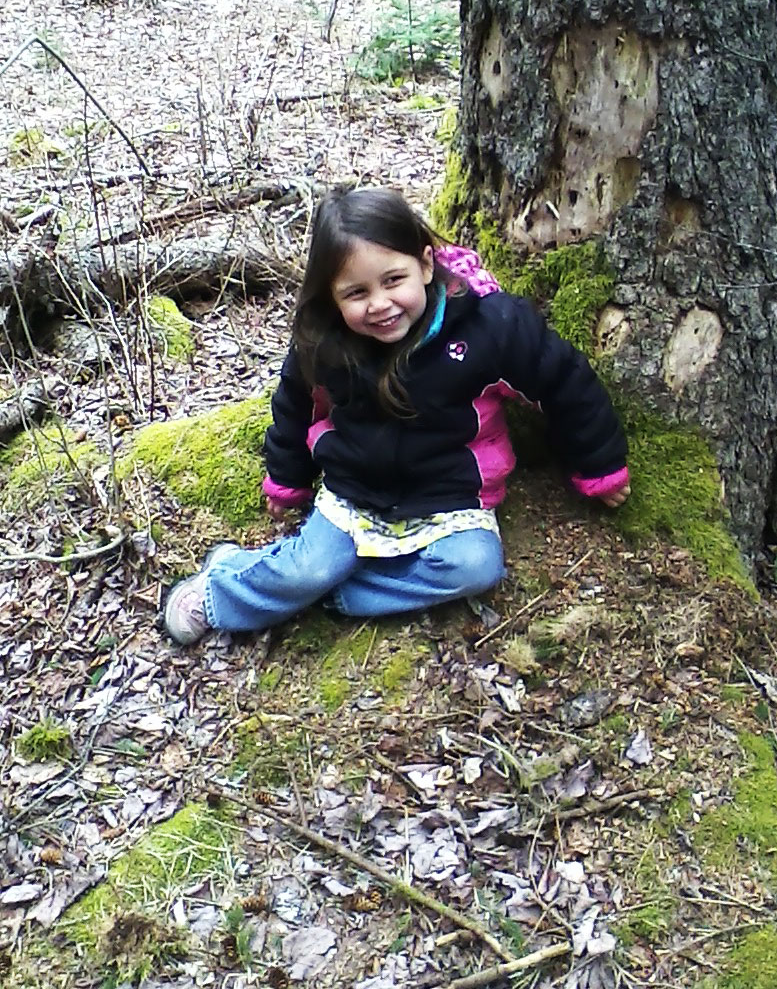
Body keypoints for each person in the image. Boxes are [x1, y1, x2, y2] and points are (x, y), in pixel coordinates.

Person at [164, 185, 631, 645]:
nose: (380, 304)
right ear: (332, 297)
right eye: (356, 293)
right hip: (355, 494)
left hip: (453, 496)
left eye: (393, 281)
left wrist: (600, 466)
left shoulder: (490, 328)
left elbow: (565, 382)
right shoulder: (325, 344)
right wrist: (289, 478)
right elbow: (295, 407)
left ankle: (326, 596)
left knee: (476, 566)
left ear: (426, 264)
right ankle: (219, 590)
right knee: (311, 566)